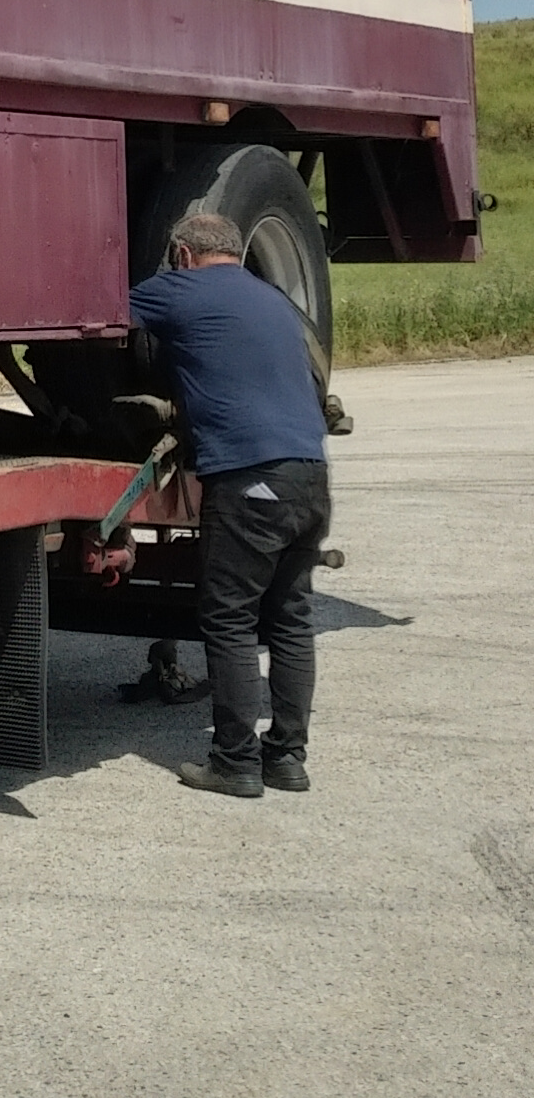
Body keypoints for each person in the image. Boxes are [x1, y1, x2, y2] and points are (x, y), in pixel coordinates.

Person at [126, 208, 333, 800]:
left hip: (249, 479)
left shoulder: (179, 289)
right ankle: (287, 760)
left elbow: (101, 312)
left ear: (183, 255)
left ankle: (235, 762)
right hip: (310, 476)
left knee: (230, 621)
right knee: (290, 620)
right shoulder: (274, 300)